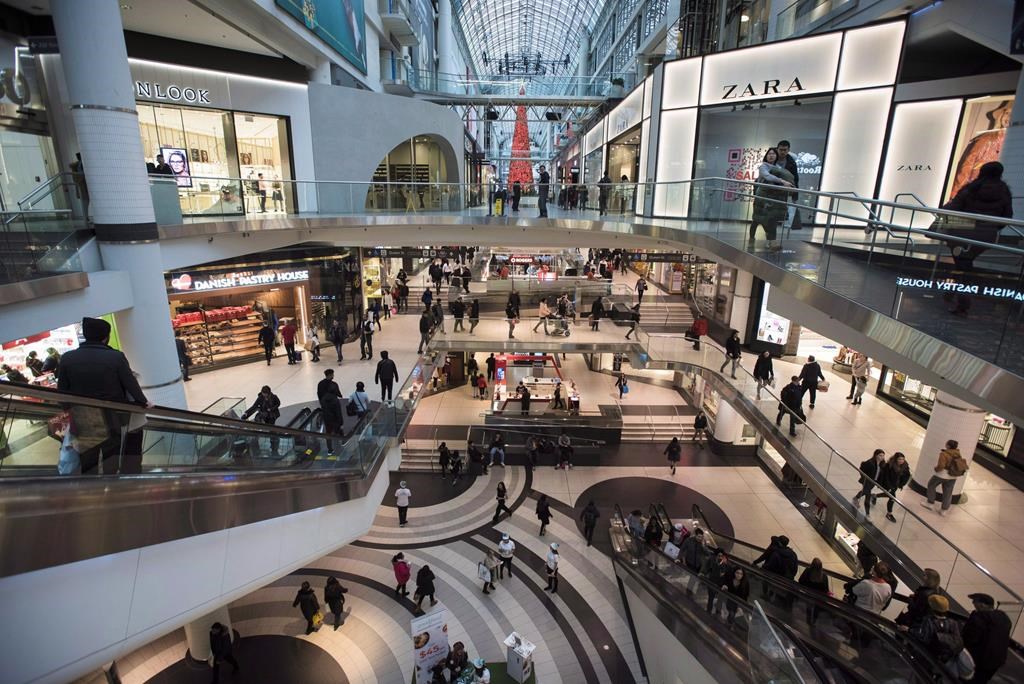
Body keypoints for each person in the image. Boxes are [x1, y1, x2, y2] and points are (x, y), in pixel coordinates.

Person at [941, 160, 1012, 276]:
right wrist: (991, 226)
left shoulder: (970, 188)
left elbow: (954, 208)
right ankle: (964, 283)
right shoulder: (1004, 192)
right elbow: (1007, 217)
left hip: (961, 231)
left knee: (961, 258)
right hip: (987, 233)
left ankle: (962, 284)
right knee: (966, 259)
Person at [909, 595, 968, 677]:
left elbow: (923, 637)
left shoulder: (929, 621)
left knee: (922, 675)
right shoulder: (953, 622)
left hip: (928, 656)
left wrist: (909, 630)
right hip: (944, 659)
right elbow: (957, 639)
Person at [749, 148, 794, 251]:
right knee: (757, 220)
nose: (771, 155)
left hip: (771, 198)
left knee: (769, 220)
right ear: (766, 155)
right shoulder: (763, 166)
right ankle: (753, 239)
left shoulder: (778, 168)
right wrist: (782, 181)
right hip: (762, 198)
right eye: (769, 154)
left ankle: (771, 242)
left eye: (774, 154)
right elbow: (767, 176)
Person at [962, 592, 1012, 683]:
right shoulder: (1003, 617)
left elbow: (970, 639)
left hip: (979, 660)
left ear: (982, 605)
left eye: (975, 601)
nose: (973, 603)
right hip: (997, 661)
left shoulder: (978, 618)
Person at [922, 439, 968, 516]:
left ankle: (930, 503)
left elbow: (941, 466)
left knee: (931, 485)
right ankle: (944, 510)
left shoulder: (944, 454)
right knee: (948, 492)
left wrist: (936, 469)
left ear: (948, 446)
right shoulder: (958, 454)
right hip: (953, 476)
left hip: (942, 475)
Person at [878, 452, 911, 522]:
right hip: (888, 484)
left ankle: (874, 496)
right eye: (899, 459)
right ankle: (889, 513)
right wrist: (889, 487)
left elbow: (907, 475)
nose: (901, 461)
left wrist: (902, 484)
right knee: (892, 498)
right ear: (896, 459)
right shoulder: (889, 465)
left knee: (888, 494)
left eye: (903, 459)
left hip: (896, 485)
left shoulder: (905, 466)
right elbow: (886, 477)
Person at [852, 448, 886, 517]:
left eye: (883, 455)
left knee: (864, 491)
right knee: (867, 496)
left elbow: (881, 474)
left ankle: (855, 498)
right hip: (867, 481)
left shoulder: (882, 464)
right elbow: (862, 468)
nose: (882, 457)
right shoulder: (870, 462)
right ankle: (867, 514)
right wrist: (864, 478)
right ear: (876, 455)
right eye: (880, 455)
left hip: (873, 482)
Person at [318, 369, 344, 454]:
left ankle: (329, 449)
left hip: (326, 413)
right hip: (335, 414)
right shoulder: (334, 386)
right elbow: (339, 395)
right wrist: (341, 421)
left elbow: (319, 394)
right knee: (338, 426)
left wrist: (322, 404)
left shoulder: (320, 384)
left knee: (328, 431)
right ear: (330, 375)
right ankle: (343, 440)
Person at [701, 549, 731, 614]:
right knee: (710, 598)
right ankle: (709, 610)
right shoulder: (712, 561)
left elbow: (728, 575)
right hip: (712, 582)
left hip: (721, 585)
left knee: (720, 599)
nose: (720, 557)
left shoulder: (726, 564)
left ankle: (718, 612)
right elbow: (707, 568)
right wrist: (703, 573)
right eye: (718, 555)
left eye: (721, 556)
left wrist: (726, 584)